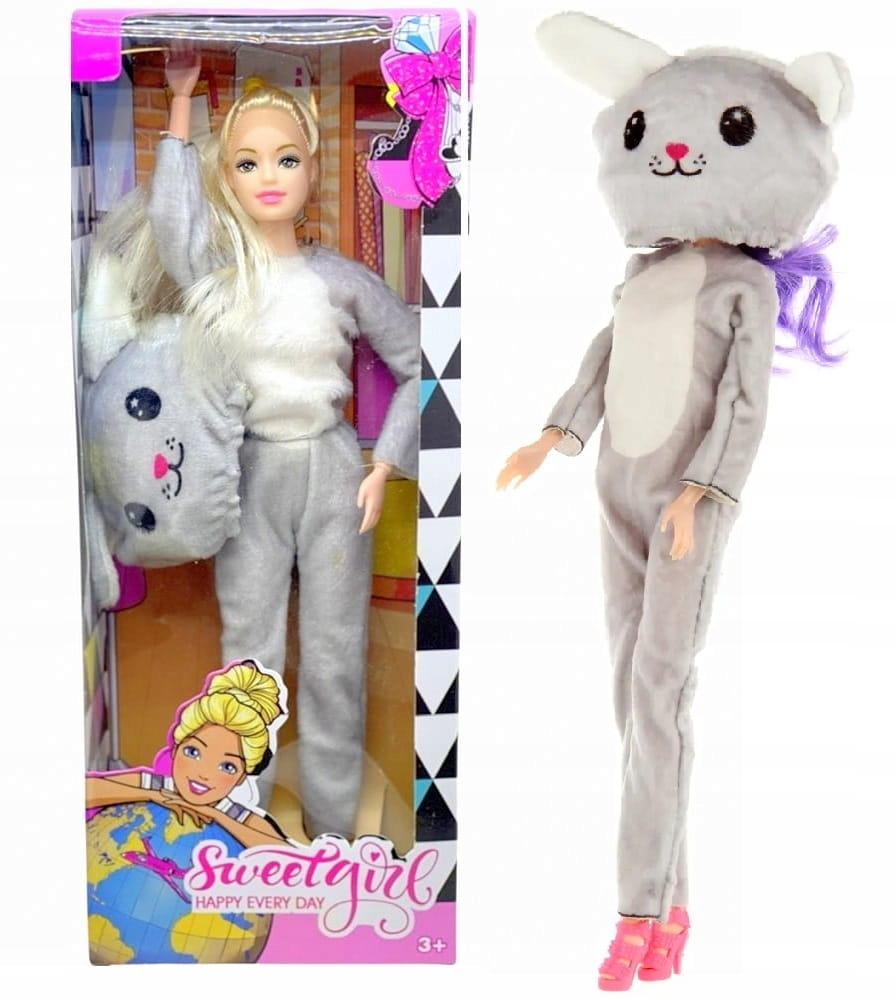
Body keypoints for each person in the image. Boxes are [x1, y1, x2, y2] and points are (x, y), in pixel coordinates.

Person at [498, 12, 850, 990]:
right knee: (632, 699)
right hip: (614, 493)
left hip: (686, 507)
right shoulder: (641, 275)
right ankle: (674, 905)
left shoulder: (743, 287)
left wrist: (703, 491)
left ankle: (636, 913)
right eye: (653, 132)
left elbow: (744, 406)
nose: (680, 151)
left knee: (657, 698)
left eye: (724, 133)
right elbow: (598, 364)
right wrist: (552, 436)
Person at [91, 46, 420, 841]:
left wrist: (385, 463)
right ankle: (243, 815)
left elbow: (421, 365)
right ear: (226, 177)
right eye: (247, 162)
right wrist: (180, 106)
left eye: (286, 159)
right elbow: (175, 224)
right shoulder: (219, 277)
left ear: (312, 167)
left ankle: (336, 832)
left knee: (337, 655)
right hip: (246, 474)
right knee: (249, 655)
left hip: (336, 471)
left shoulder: (342, 280)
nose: (269, 177)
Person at [87, 659, 289, 848]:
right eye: (193, 752)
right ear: (176, 748)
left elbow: (283, 851)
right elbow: (87, 790)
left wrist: (217, 817)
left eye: (227, 766)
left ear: (241, 777)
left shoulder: (235, 814)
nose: (203, 774)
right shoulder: (158, 786)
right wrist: (151, 796)